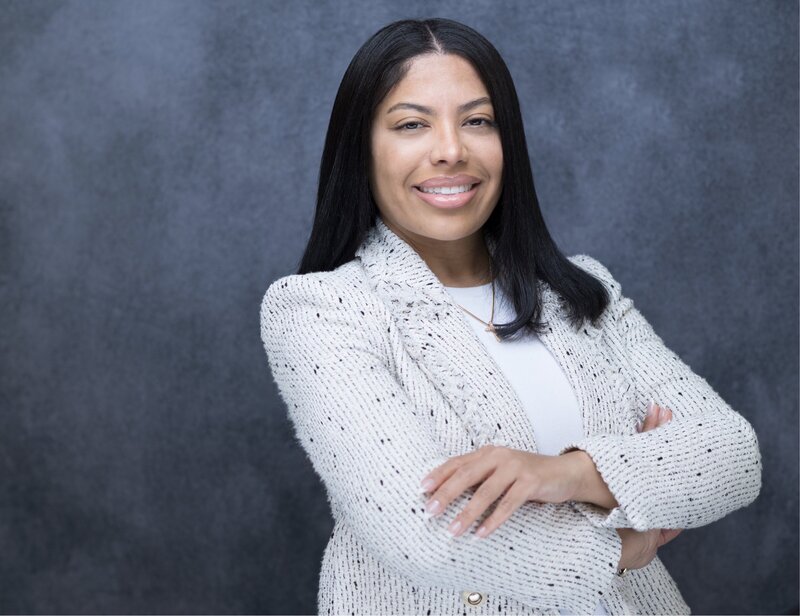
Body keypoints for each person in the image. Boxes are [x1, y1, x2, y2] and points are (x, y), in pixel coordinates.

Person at [259, 18, 762, 615]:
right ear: (362, 149)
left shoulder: (582, 289)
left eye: (477, 120)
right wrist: (628, 542)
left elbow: (732, 455)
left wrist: (570, 473)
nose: (451, 149)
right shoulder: (319, 310)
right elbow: (423, 535)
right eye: (412, 124)